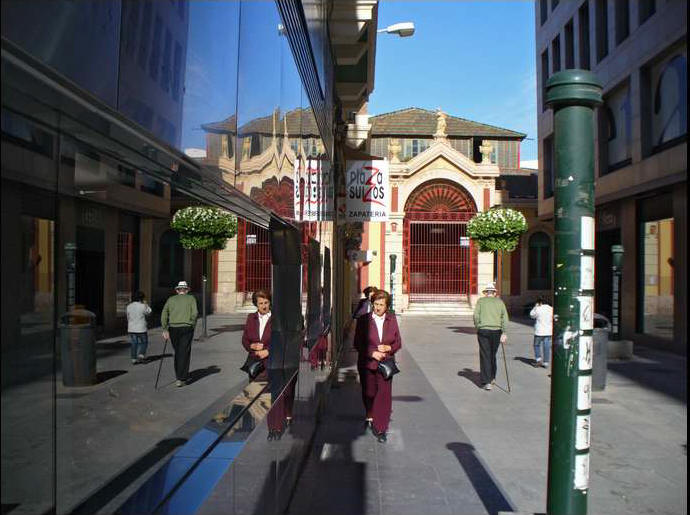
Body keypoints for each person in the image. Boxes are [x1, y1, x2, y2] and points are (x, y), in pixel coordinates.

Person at [354, 289, 402, 443]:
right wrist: (372, 353)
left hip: (385, 365)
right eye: (376, 304)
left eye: (381, 304)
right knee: (369, 393)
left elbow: (398, 342)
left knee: (384, 396)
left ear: (387, 306)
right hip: (367, 363)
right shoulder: (363, 320)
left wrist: (389, 348)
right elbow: (357, 343)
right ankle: (369, 415)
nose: (378, 307)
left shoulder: (391, 319)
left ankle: (380, 428)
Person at [473, 282, 509, 391]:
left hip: (483, 330)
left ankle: (487, 381)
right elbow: (505, 318)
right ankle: (492, 377)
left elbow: (476, 315)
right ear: (494, 293)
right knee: (492, 354)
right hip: (496, 331)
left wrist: (478, 326)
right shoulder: (500, 302)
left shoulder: (481, 301)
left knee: (485, 355)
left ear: (485, 293)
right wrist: (504, 332)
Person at [161, 281, 198, 387]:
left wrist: (164, 329)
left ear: (177, 290)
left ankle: (178, 375)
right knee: (184, 352)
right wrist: (191, 323)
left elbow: (164, 313)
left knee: (178, 351)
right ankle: (181, 378)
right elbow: (195, 313)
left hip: (173, 328)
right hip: (186, 327)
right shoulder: (191, 298)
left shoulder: (171, 299)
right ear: (186, 290)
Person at [241, 290, 272, 382]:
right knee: (253, 392)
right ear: (256, 304)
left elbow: (281, 341)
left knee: (266, 394)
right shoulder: (251, 318)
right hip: (254, 364)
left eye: (266, 302)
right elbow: (244, 339)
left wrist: (269, 351)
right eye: (261, 303)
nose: (264, 306)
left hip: (270, 364)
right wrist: (251, 346)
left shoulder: (276, 318)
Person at [126, 291, 152, 364]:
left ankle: (133, 359)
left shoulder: (129, 306)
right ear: (142, 298)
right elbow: (149, 312)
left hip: (131, 328)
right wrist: (146, 304)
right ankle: (141, 355)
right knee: (144, 342)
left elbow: (128, 317)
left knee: (134, 343)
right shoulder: (143, 306)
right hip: (141, 328)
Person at [530, 296, 553, 368]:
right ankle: (546, 362)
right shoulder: (551, 309)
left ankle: (538, 359)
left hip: (539, 331)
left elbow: (532, 315)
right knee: (547, 346)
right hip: (548, 331)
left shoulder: (538, 308)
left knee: (536, 345)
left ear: (540, 302)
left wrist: (535, 307)